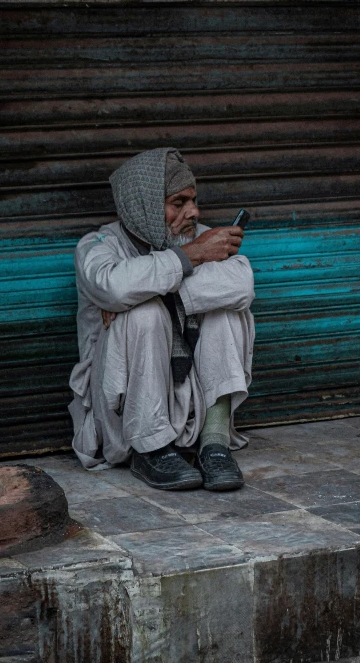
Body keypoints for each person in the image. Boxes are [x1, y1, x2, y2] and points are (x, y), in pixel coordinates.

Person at [69, 147, 255, 491]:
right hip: (123, 411)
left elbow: (242, 283)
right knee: (144, 313)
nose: (193, 212)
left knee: (225, 308)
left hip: (189, 396)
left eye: (194, 201)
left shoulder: (198, 239)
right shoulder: (98, 247)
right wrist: (190, 257)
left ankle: (214, 442)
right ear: (142, 203)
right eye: (178, 203)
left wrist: (152, 287)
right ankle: (150, 448)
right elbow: (112, 284)